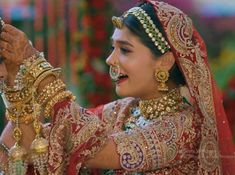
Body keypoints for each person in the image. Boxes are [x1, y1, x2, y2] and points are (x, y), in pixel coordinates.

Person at [0, 0, 235, 174]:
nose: (110, 60)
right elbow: (29, 144)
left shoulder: (185, 127)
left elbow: (94, 148)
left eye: (125, 49)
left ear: (164, 61)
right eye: (113, 48)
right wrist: (14, 81)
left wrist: (37, 67)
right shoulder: (123, 111)